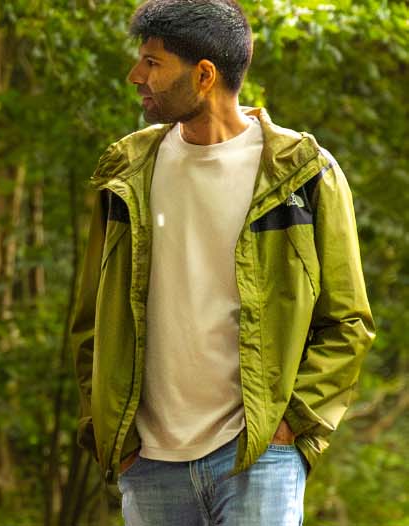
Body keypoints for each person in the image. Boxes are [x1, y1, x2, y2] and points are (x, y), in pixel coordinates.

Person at [70, 1, 375, 524]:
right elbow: (90, 322)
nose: (136, 76)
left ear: (204, 75)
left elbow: (347, 321)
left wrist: (292, 426)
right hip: (149, 463)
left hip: (259, 456)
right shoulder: (127, 172)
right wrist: (109, 435)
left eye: (152, 62)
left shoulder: (302, 173)